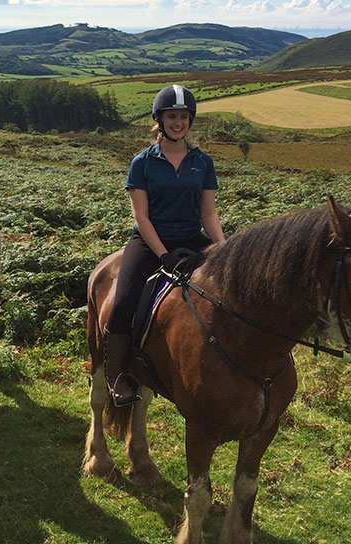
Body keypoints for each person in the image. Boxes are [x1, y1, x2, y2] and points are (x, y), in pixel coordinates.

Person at [103, 84, 226, 406]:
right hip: (148, 241)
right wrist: (164, 255)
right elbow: (141, 218)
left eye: (184, 117)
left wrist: (225, 250)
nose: (178, 123)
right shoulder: (142, 163)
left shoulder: (203, 162)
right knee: (123, 300)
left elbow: (209, 213)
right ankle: (116, 376)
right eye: (172, 116)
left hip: (191, 237)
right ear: (160, 119)